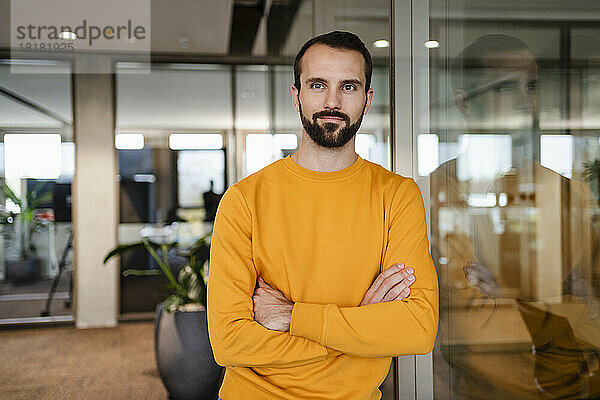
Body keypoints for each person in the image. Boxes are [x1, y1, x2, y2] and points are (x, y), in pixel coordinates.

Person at [207, 31, 439, 400]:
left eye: (348, 87)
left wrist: (293, 317)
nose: (332, 102)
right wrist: (356, 331)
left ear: (367, 99)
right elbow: (229, 342)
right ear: (296, 94)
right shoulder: (244, 200)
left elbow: (417, 328)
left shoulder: (397, 195)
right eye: (318, 85)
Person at [429, 34, 600, 399]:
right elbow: (470, 329)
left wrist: (504, 295)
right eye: (505, 87)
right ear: (463, 103)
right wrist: (547, 301)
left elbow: (592, 315)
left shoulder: (570, 195)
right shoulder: (433, 194)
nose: (526, 100)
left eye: (532, 85)